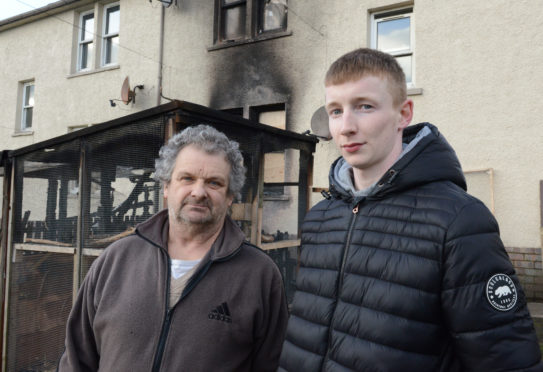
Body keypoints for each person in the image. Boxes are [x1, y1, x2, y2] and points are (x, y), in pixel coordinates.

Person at [279, 48, 543, 371]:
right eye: (335, 111)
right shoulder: (320, 219)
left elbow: (507, 360)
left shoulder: (459, 221)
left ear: (403, 114)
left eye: (364, 106)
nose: (345, 126)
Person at [58, 124, 288, 372]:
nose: (199, 192)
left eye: (214, 183)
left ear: (230, 195)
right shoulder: (115, 260)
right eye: (187, 178)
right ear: (166, 185)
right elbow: (77, 359)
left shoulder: (259, 275)